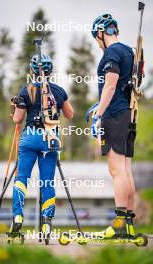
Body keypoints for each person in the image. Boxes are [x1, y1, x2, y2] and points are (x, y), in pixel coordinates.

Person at [9, 54, 73, 239]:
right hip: (50, 138)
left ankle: (18, 216)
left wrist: (14, 110)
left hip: (30, 137)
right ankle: (46, 224)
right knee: (47, 181)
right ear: (50, 70)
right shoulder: (59, 91)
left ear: (32, 70)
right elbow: (69, 114)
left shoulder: (26, 90)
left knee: (22, 177)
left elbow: (18, 119)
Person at [90, 14, 136, 238]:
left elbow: (110, 86)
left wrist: (99, 115)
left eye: (96, 38)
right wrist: (100, 104)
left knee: (116, 170)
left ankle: (118, 224)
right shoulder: (129, 51)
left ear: (101, 32)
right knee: (126, 171)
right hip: (128, 114)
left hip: (115, 115)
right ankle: (128, 224)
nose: (98, 43)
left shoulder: (112, 52)